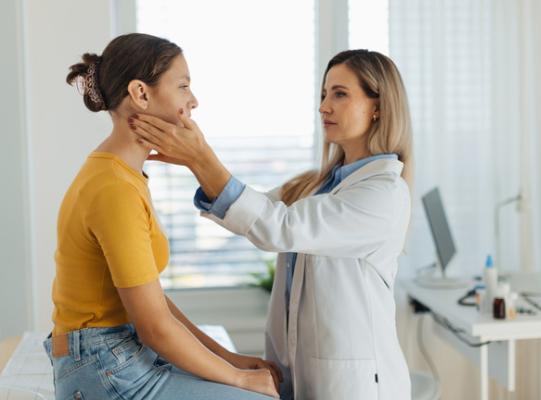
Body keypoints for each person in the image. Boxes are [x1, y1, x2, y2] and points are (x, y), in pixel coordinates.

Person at [131, 49, 413, 399]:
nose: (324, 106)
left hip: (356, 386)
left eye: (340, 94)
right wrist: (196, 164)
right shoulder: (318, 184)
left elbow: (278, 227)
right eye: (324, 95)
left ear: (378, 107)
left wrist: (201, 157)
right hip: (298, 372)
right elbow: (256, 213)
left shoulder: (384, 193)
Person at [45, 33, 281, 400]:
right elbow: (154, 328)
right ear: (141, 94)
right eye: (183, 86)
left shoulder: (121, 175)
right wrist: (241, 381)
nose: (194, 101)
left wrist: (229, 360)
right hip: (104, 369)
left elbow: (154, 307)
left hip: (117, 358)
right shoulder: (114, 188)